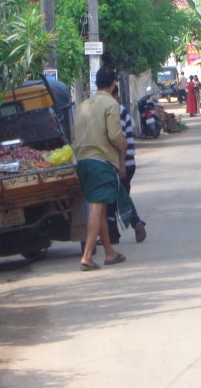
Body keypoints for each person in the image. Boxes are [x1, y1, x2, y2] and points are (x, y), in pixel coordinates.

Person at [73, 67, 131, 271]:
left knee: (100, 207)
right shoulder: (110, 104)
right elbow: (115, 135)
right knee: (97, 208)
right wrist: (123, 147)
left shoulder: (83, 105)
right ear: (114, 84)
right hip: (101, 162)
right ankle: (87, 256)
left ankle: (110, 253)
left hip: (82, 162)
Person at [106, 86, 147, 244]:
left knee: (113, 201)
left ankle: (117, 233)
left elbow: (120, 140)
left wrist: (120, 166)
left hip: (122, 163)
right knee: (121, 197)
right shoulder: (120, 110)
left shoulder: (115, 111)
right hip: (128, 163)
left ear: (115, 95)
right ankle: (134, 224)